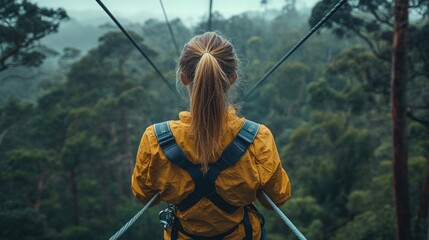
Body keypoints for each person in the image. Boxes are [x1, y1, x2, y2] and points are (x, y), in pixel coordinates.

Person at [131, 32, 291, 240]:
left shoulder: (155, 140)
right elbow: (276, 198)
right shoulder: (257, 138)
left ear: (183, 77)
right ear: (233, 78)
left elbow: (145, 197)